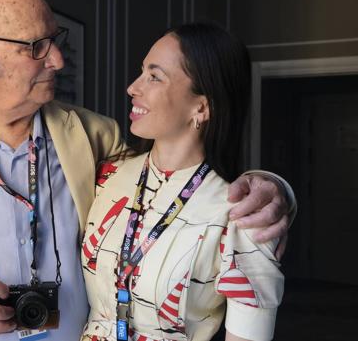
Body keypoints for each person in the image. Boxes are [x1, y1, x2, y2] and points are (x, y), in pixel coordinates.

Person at [0, 0, 294, 341]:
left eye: (56, 41)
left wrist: (270, 187)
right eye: (36, 47)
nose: (57, 59)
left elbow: (179, 180)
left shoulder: (96, 137)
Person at [81, 23, 284, 341]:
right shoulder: (106, 177)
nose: (133, 88)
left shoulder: (242, 214)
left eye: (154, 76)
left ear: (201, 107)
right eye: (141, 72)